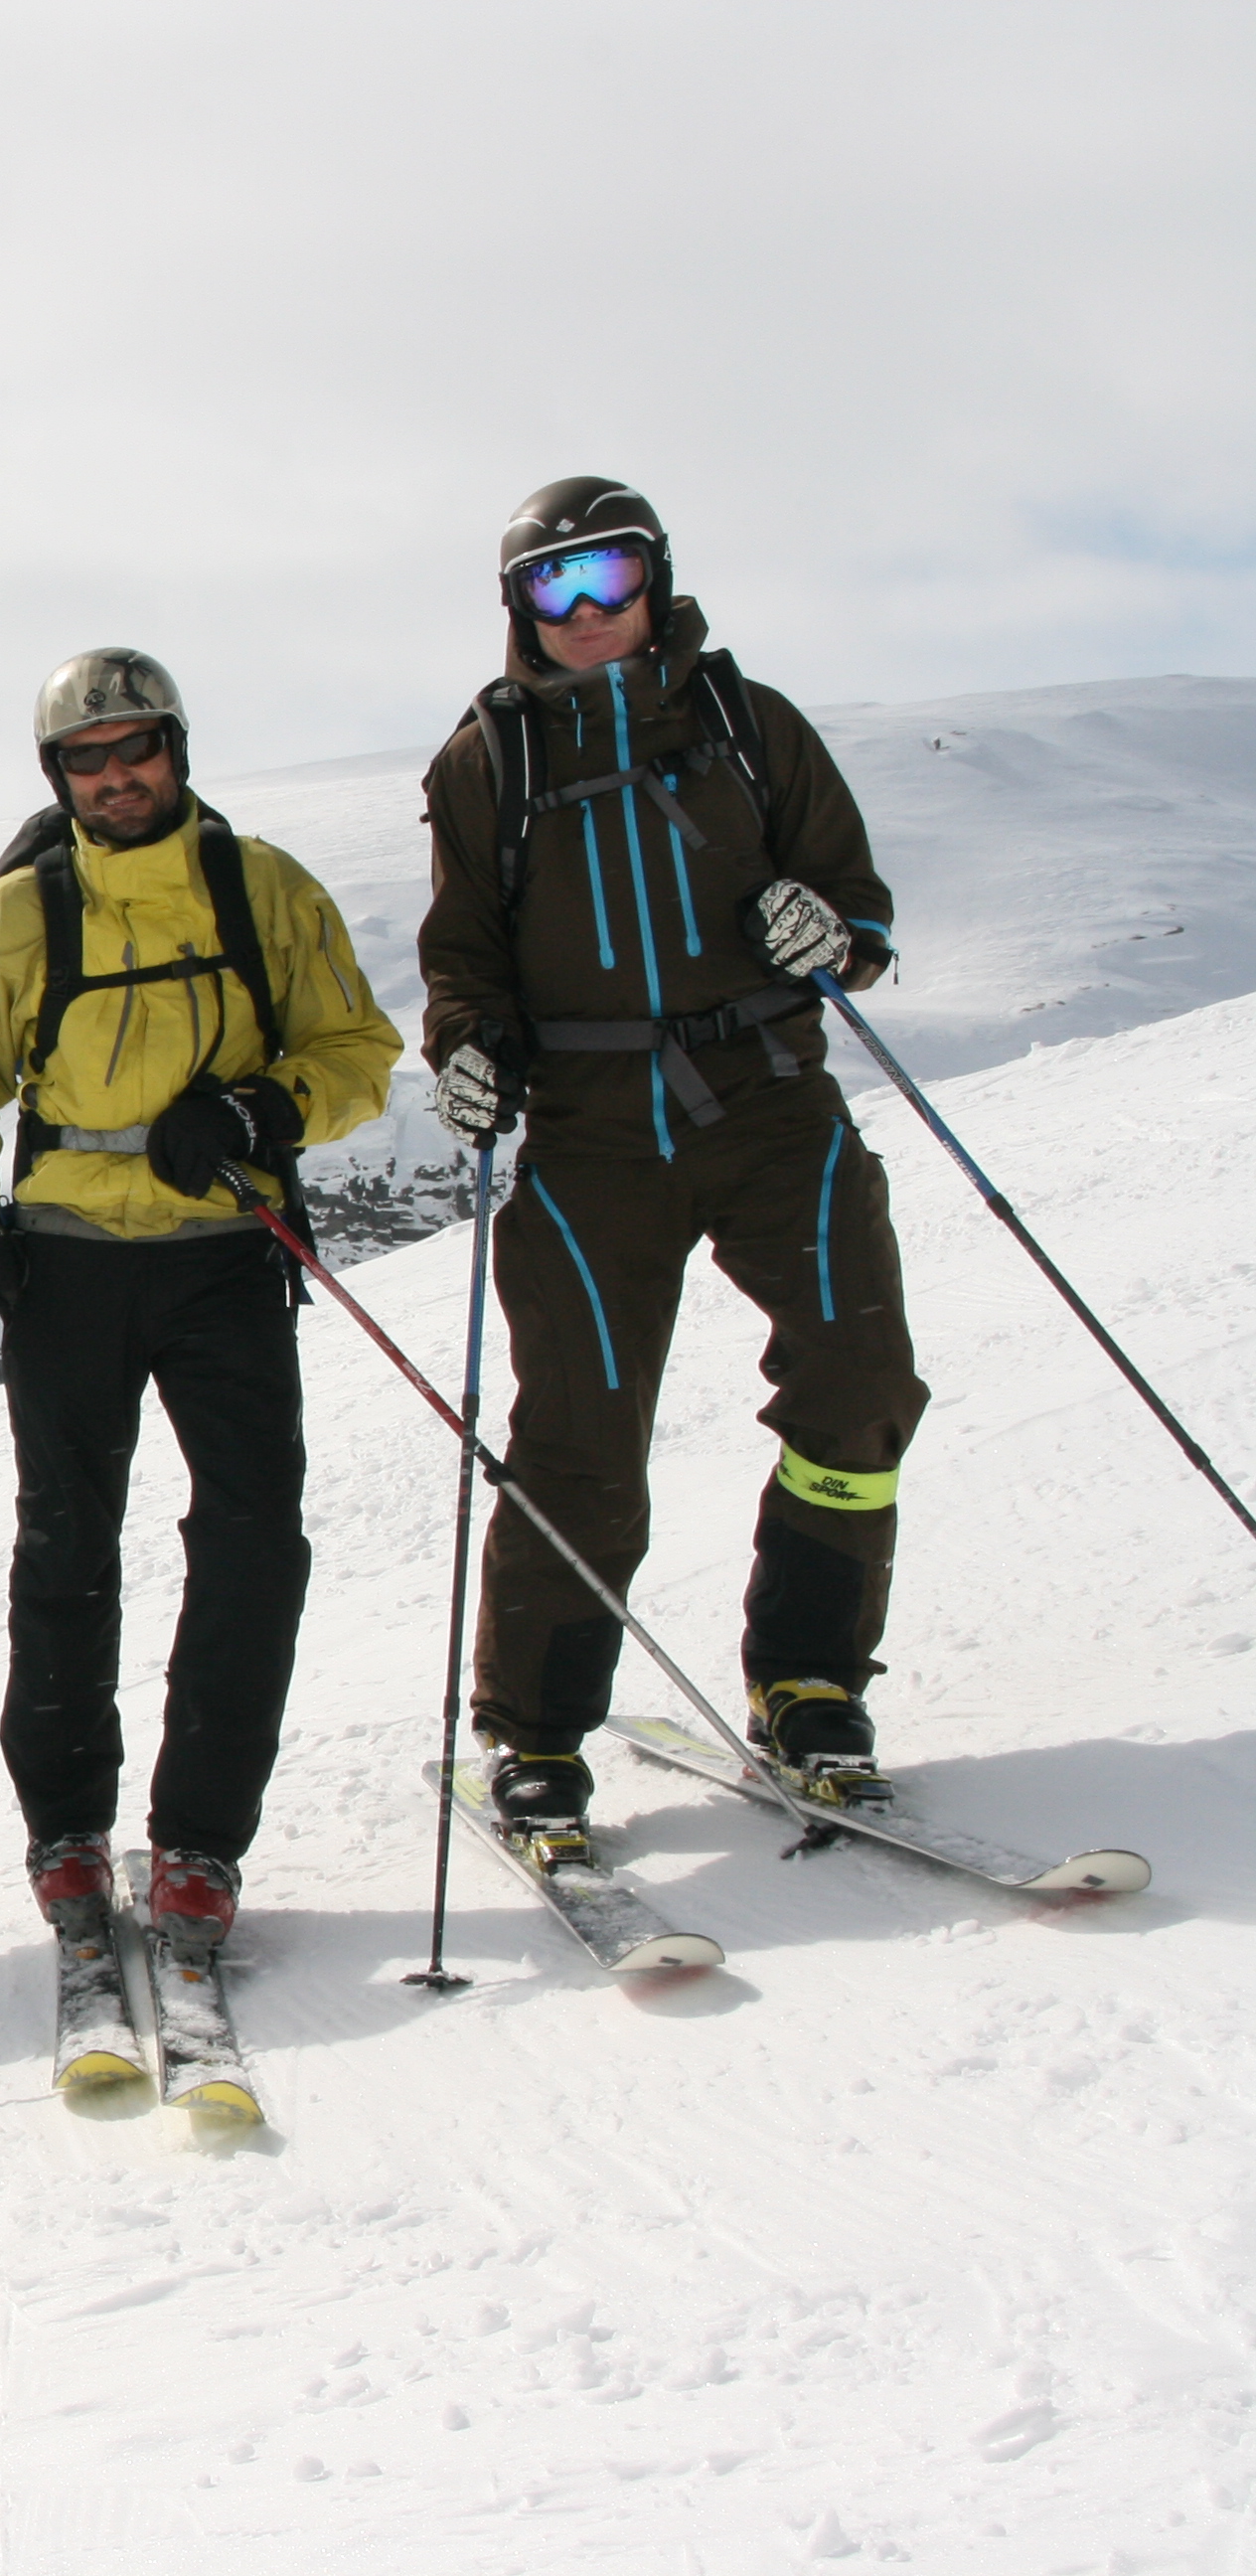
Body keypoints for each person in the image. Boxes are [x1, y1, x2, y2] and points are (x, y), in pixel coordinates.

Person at [419, 477, 922, 1839]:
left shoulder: (750, 728)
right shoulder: (490, 762)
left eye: (611, 575)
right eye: (554, 586)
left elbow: (857, 905)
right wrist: (467, 1043)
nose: (588, 610)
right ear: (520, 608)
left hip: (769, 1100)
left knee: (862, 1380)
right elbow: (463, 954)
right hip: (593, 1131)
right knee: (580, 1439)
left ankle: (810, 1679)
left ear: (657, 578)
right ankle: (535, 1736)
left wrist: (836, 937)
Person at [0, 648, 399, 1954]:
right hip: (67, 1259)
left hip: (225, 1249)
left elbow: (357, 1052)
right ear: (58, 775)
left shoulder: (263, 889)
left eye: (141, 750)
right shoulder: (18, 915)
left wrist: (258, 1110)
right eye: (90, 759)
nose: (120, 778)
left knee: (251, 1543)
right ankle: (67, 1834)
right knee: (64, 1549)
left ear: (177, 750)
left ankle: (200, 1843)